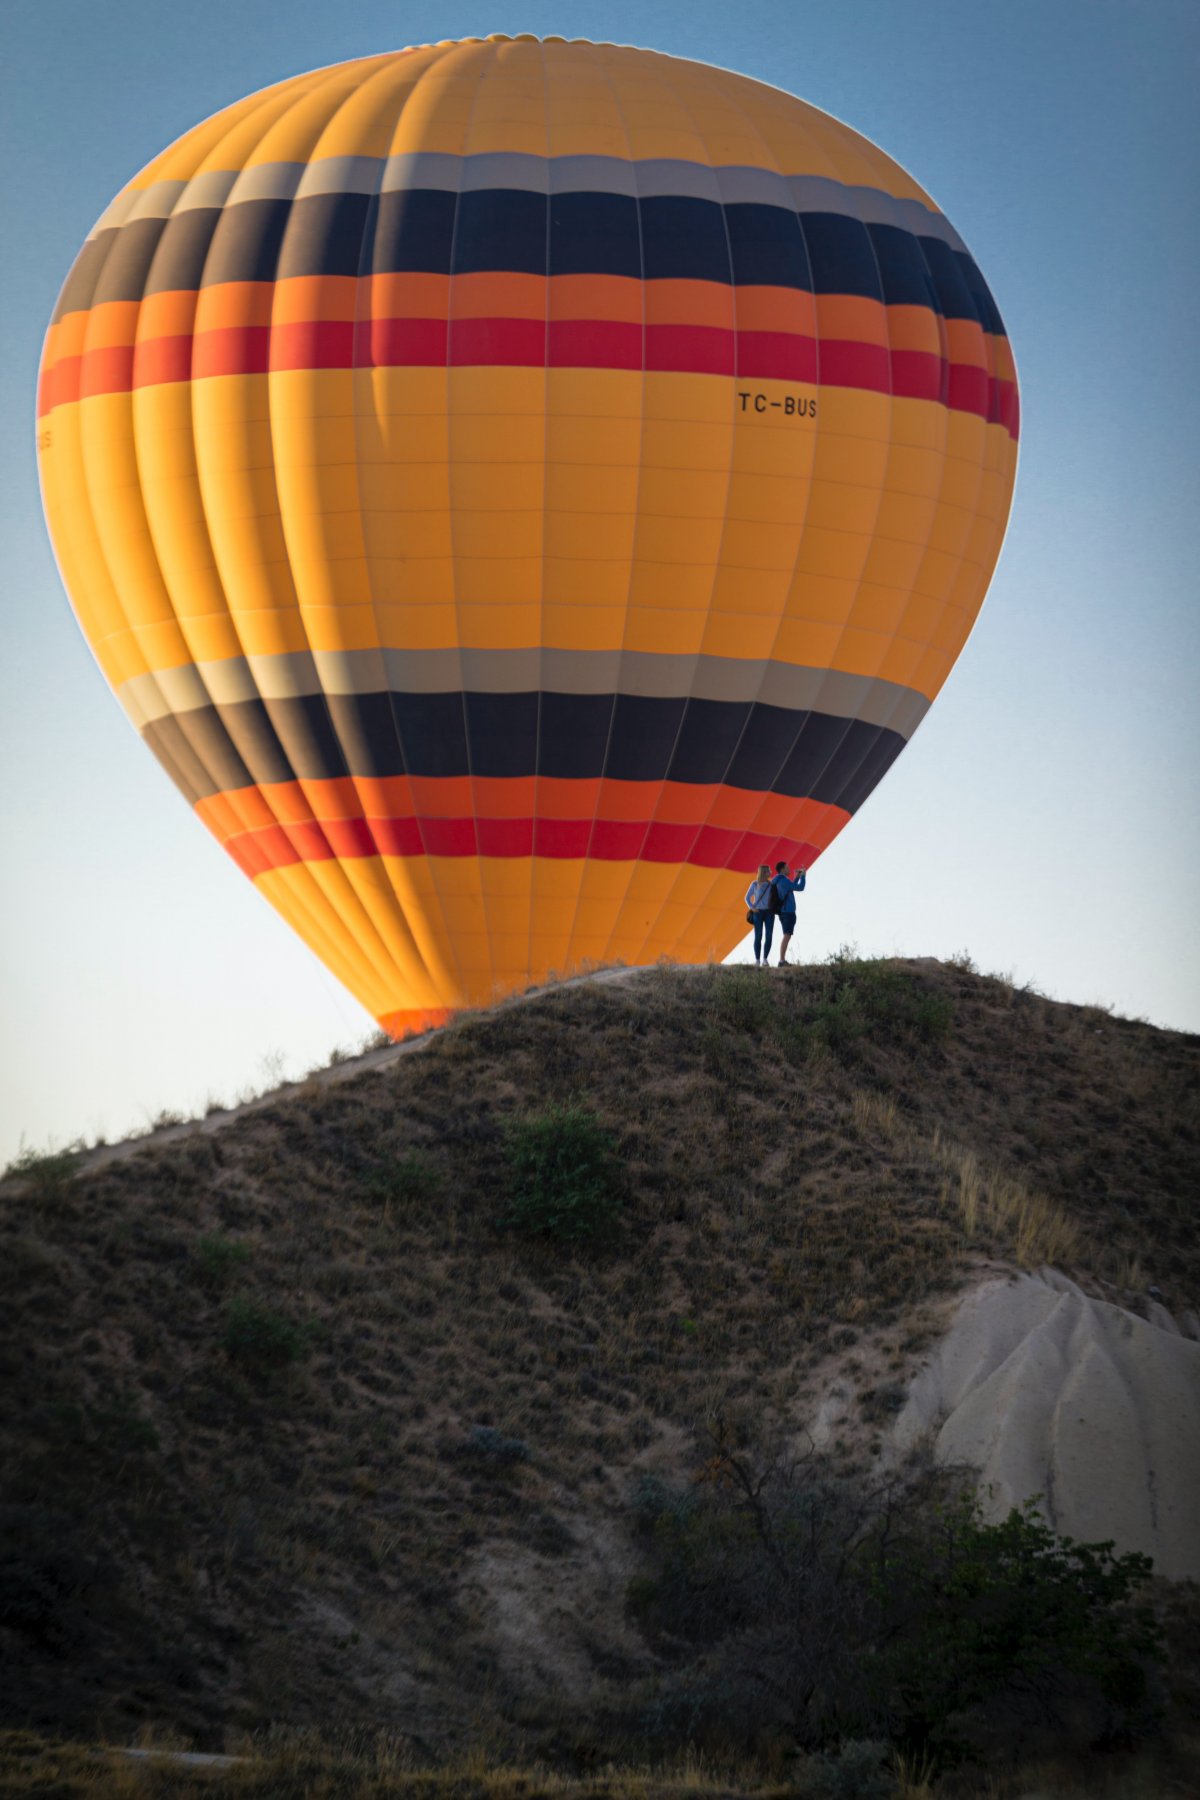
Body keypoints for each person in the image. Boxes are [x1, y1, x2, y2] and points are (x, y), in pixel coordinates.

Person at [770, 861, 807, 965]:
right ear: (782, 869)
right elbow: (800, 887)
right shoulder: (784, 881)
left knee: (787, 935)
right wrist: (803, 876)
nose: (789, 869)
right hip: (788, 911)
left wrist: (797, 877)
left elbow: (791, 887)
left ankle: (782, 960)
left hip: (782, 911)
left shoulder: (777, 881)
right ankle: (781, 960)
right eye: (787, 867)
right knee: (787, 935)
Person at [744, 863, 774, 966]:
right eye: (769, 871)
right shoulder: (754, 884)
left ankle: (765, 959)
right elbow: (747, 898)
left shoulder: (771, 885)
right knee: (758, 936)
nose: (771, 872)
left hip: (769, 912)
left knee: (769, 935)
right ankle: (757, 960)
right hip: (758, 913)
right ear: (764, 872)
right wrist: (752, 908)